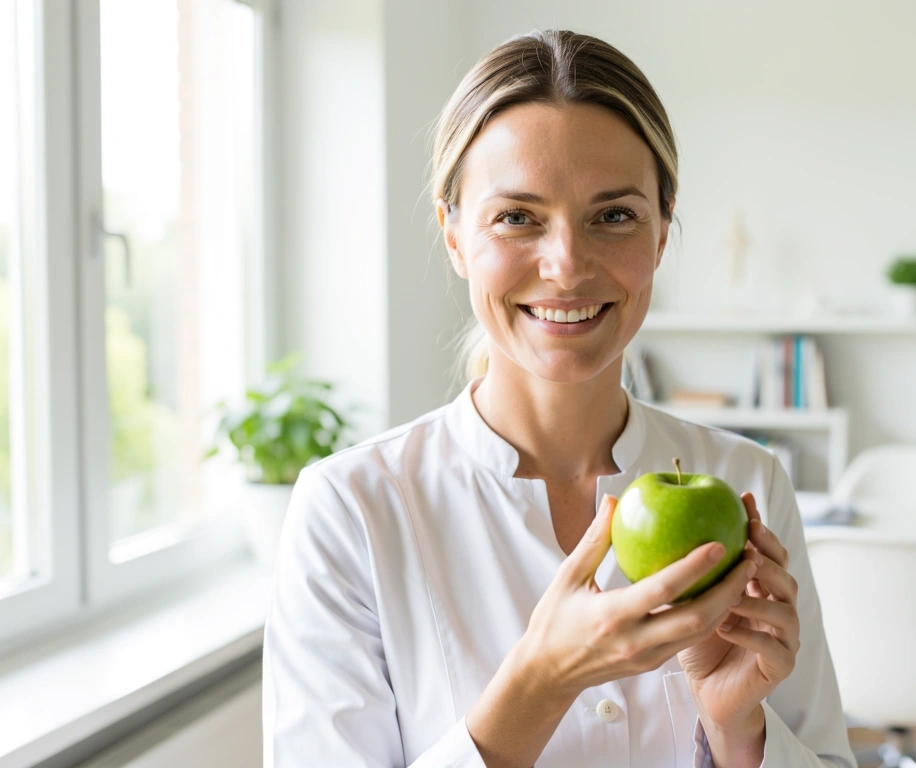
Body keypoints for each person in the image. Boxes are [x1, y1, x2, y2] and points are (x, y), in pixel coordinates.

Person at [262, 29, 855, 768]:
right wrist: (540, 682)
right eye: (517, 217)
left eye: (615, 215)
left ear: (662, 232)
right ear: (454, 235)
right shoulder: (350, 509)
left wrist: (740, 731)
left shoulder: (746, 482)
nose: (568, 266)